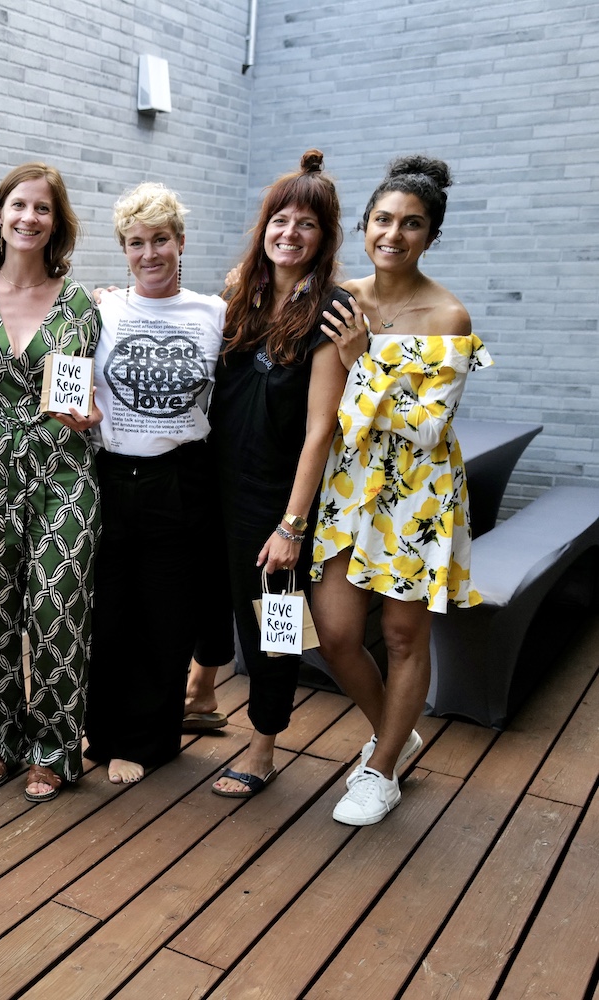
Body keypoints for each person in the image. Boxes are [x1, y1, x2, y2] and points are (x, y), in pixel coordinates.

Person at [314, 155, 490, 826]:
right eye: (383, 220)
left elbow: (428, 425)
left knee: (401, 635)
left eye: (412, 224)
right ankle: (397, 730)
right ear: (365, 226)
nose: (394, 234)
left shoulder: (447, 315)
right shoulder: (340, 298)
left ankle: (381, 770)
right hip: (346, 484)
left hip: (418, 492)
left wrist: (362, 362)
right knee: (334, 633)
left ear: (431, 235)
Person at [204, 151, 362, 798]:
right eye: (280, 219)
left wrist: (292, 526)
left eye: (307, 224)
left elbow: (322, 428)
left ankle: (263, 747)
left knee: (275, 628)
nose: (290, 233)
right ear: (264, 225)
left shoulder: (331, 310)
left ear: (325, 237)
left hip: (277, 500)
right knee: (210, 603)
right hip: (215, 484)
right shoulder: (239, 296)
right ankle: (199, 695)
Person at [0, 162, 101, 804]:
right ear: (0, 213)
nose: (29, 218)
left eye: (43, 208)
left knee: (57, 607)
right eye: (19, 205)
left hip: (62, 468)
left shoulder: (84, 303)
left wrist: (93, 413)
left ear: (56, 223)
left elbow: (97, 389)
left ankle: (55, 748)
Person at [82, 182, 232, 785]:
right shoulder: (101, 310)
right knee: (109, 613)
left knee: (166, 615)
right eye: (136, 242)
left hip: (180, 477)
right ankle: (103, 732)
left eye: (161, 239)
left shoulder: (213, 313)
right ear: (124, 249)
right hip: (111, 474)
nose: (150, 254)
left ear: (181, 242)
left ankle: (146, 741)